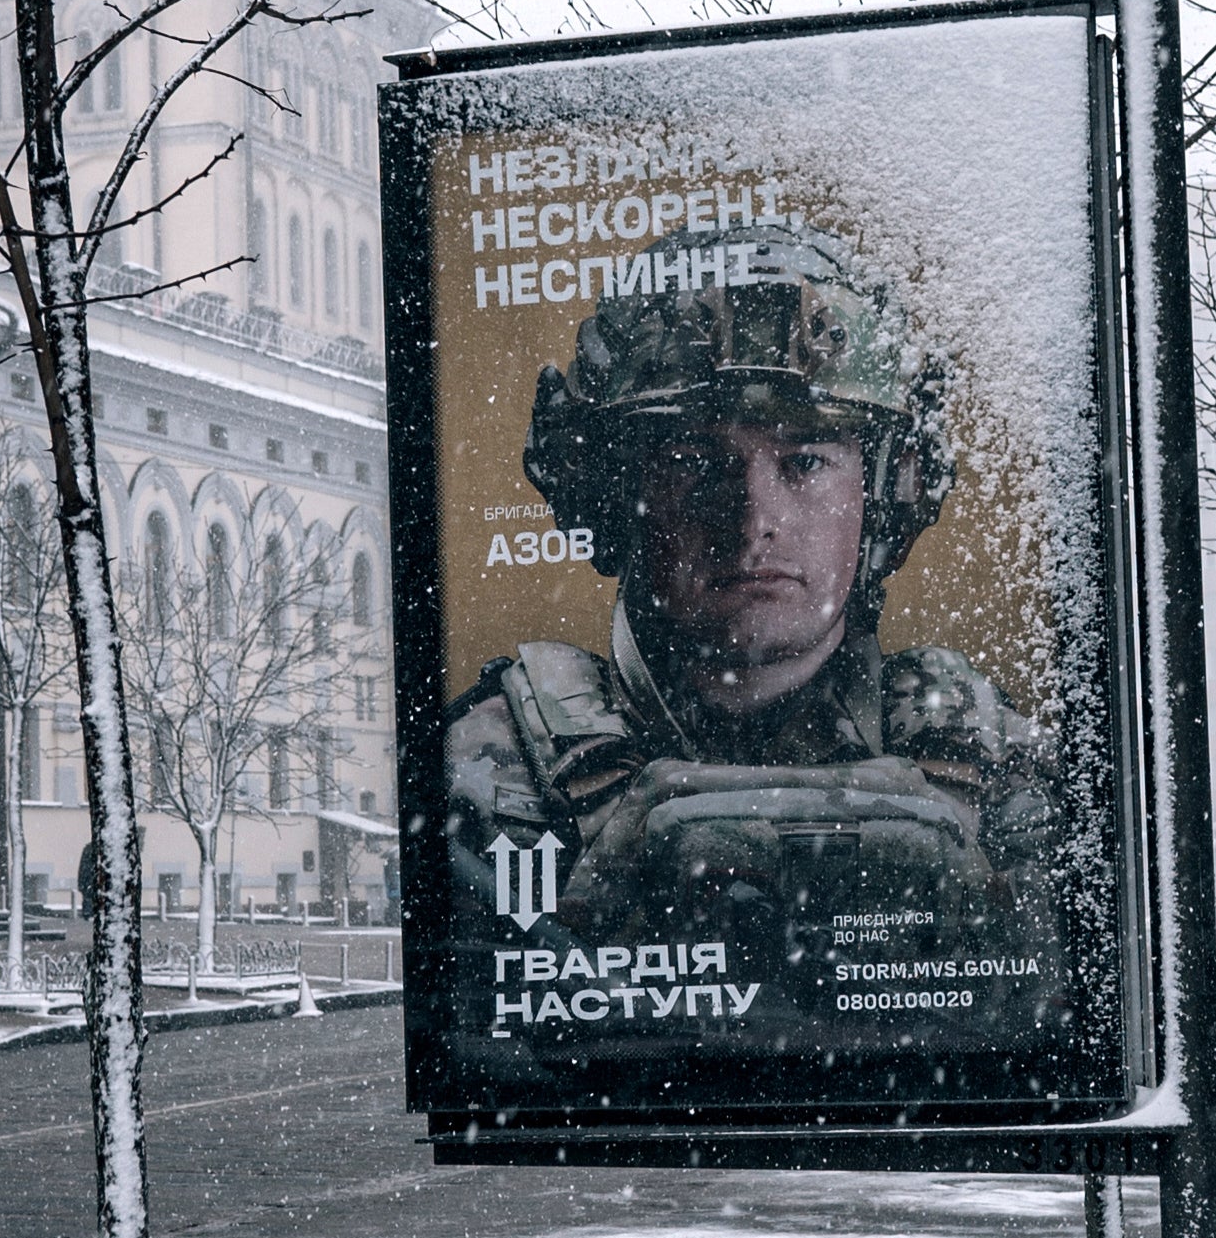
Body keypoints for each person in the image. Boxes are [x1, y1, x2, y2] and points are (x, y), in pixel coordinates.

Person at [442, 227, 1073, 1066]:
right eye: (697, 462)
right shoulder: (490, 774)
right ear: (613, 492)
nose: (756, 518)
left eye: (806, 461)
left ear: (884, 493)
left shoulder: (997, 762)